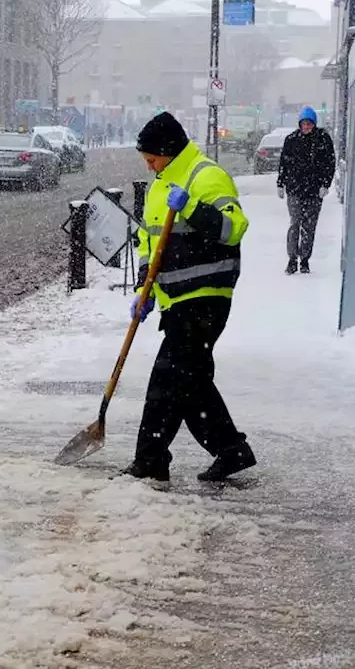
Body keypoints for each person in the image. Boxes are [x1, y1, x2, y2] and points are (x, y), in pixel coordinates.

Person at [123, 111, 257, 484]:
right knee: (189, 383)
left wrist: (193, 209)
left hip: (206, 296)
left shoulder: (206, 176)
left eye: (151, 158)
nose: (148, 165)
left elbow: (233, 229)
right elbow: (149, 242)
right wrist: (143, 289)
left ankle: (150, 460)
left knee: (168, 378)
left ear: (168, 150)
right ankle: (231, 450)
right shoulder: (159, 185)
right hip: (175, 299)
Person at [277, 106, 336, 275]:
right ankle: (291, 259)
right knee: (295, 223)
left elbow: (330, 164)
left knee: (309, 227)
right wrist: (280, 184)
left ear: (314, 124)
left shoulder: (323, 140)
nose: (307, 127)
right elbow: (284, 164)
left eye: (310, 124)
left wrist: (325, 184)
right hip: (295, 190)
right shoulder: (291, 140)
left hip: (314, 192)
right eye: (304, 124)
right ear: (300, 124)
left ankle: (304, 259)